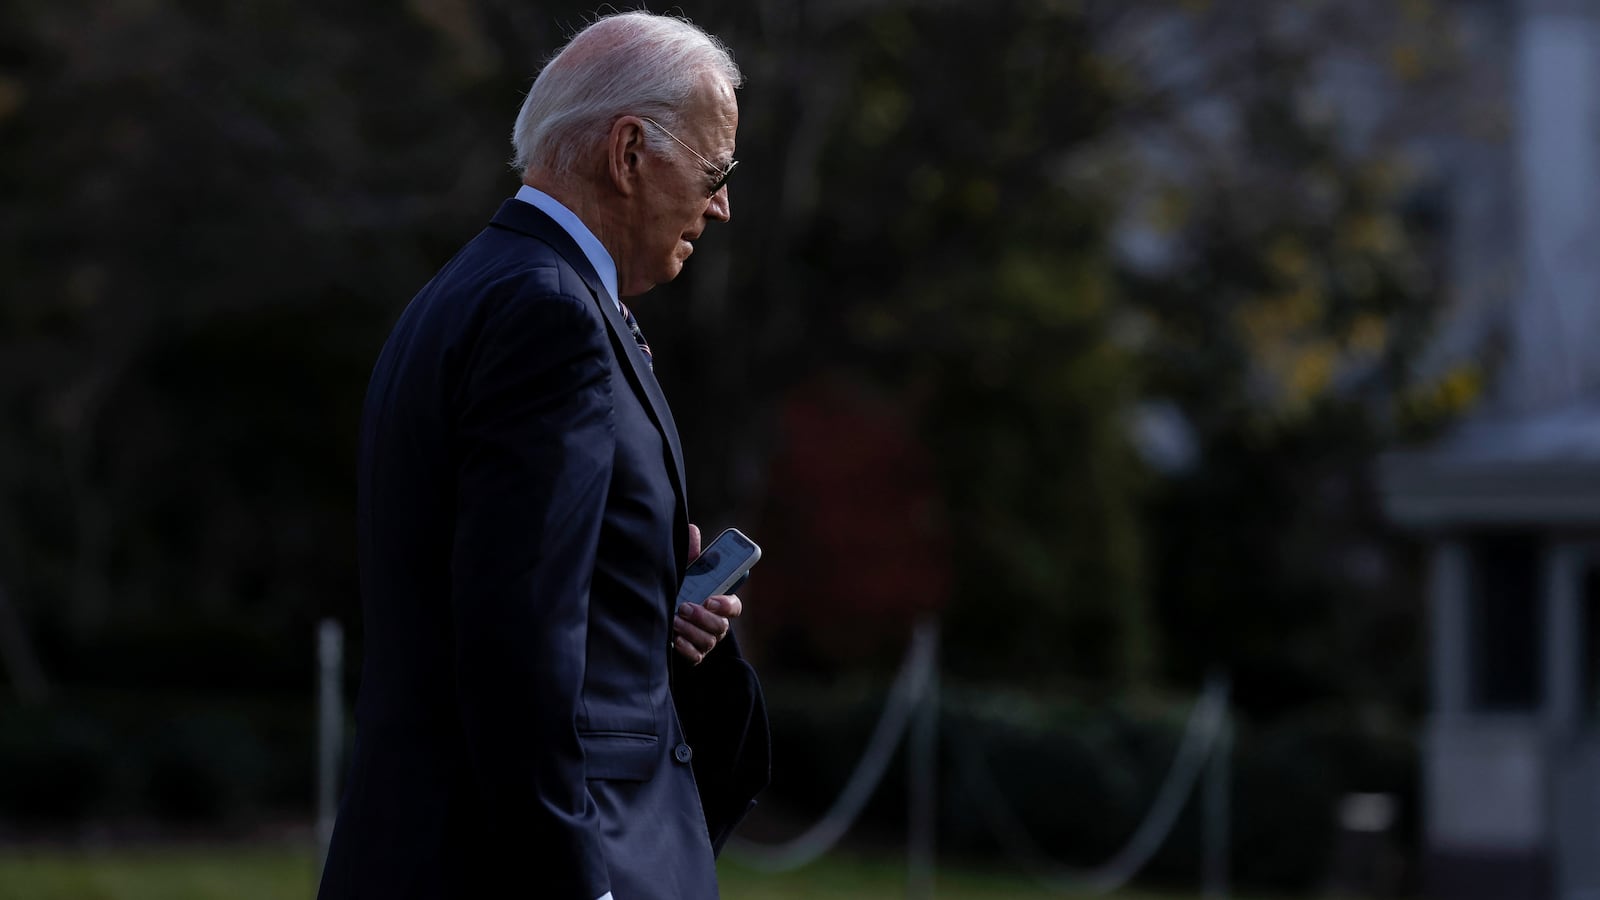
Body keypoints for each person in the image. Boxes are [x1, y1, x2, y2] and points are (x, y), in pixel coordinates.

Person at [316, 12, 769, 899]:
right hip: (530, 859)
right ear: (629, 152)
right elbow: (515, 644)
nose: (721, 204)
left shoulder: (470, 290)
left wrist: (648, 620)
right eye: (716, 172)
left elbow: (514, 595)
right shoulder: (549, 314)